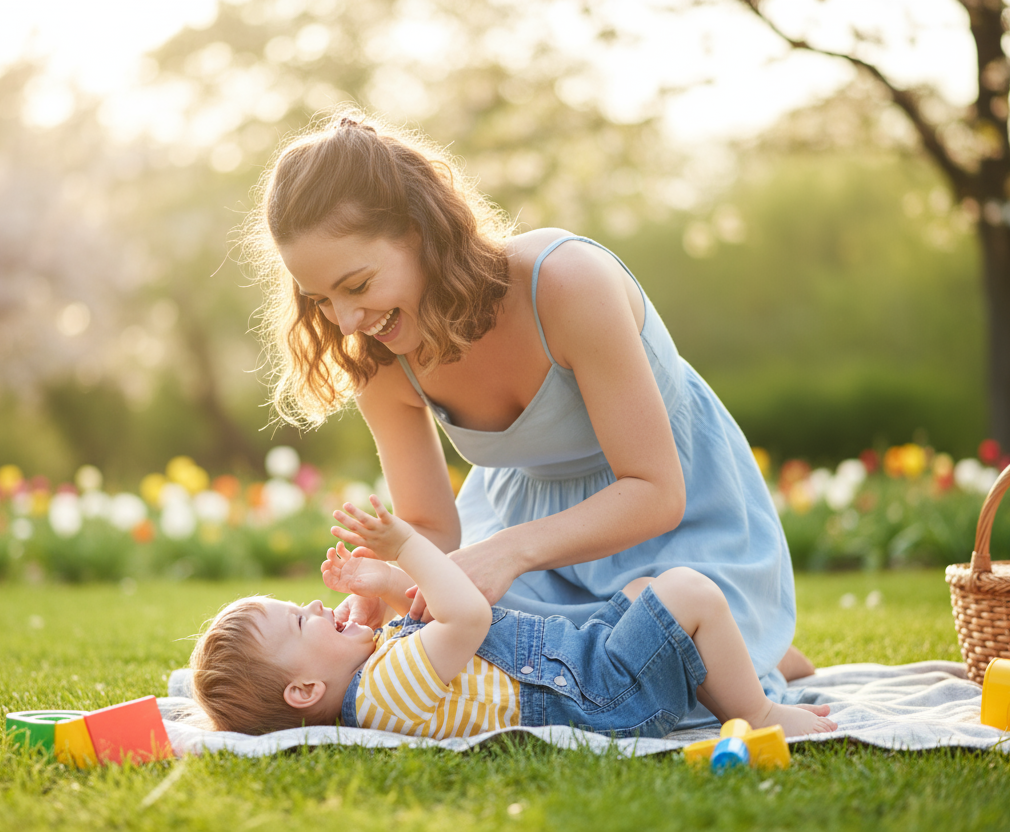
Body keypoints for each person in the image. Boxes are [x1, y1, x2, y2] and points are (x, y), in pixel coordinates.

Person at [242, 111, 813, 716]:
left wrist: (508, 555)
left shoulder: (566, 283)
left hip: (671, 512)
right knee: (527, 674)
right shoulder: (382, 361)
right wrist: (388, 587)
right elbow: (431, 527)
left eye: (356, 285)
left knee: (674, 657)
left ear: (419, 230)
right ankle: (760, 655)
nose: (348, 321)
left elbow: (654, 492)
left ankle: (760, 650)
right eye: (321, 300)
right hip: (525, 523)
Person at [187, 496, 836, 739]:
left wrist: (383, 582)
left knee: (646, 590)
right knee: (686, 592)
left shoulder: (373, 674)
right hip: (600, 696)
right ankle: (761, 712)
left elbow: (415, 617)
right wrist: (405, 548)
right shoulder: (384, 692)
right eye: (299, 623)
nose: (314, 607)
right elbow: (464, 617)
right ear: (304, 692)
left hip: (581, 662)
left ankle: (754, 664)